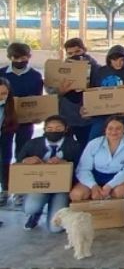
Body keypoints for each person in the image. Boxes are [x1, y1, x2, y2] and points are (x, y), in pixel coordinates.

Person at [17, 115, 80, 232]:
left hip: (62, 188)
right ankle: (35, 214)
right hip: (39, 185)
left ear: (66, 129)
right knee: (30, 208)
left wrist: (65, 163)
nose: (54, 131)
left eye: (58, 128)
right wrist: (26, 161)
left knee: (55, 228)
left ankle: (60, 206)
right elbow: (18, 162)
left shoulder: (74, 145)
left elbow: (80, 168)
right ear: (44, 129)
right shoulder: (33, 143)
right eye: (50, 129)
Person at [1, 43, 44, 207]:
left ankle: (20, 190)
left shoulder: (35, 76)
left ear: (29, 57)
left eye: (24, 57)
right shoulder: (2, 74)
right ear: (10, 57)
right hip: (5, 122)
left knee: (22, 154)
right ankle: (5, 189)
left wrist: (38, 116)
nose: (20, 61)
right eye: (16, 58)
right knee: (3, 155)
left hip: (25, 122)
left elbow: (38, 100)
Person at [71, 115, 124, 201]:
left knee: (120, 192)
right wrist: (93, 186)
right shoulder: (94, 143)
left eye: (118, 128)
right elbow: (83, 169)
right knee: (76, 195)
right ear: (105, 129)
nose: (114, 132)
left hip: (119, 176)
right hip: (95, 176)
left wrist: (109, 186)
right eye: (110, 128)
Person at [86, 45, 124, 140]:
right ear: (109, 60)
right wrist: (88, 107)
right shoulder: (100, 72)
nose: (118, 63)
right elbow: (91, 92)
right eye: (115, 60)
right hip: (101, 116)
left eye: (121, 60)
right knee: (95, 141)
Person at [54, 38, 100, 150]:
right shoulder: (61, 69)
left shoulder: (97, 69)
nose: (74, 55)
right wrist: (61, 91)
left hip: (88, 118)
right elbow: (51, 92)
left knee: (87, 148)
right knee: (65, 149)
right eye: (70, 53)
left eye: (77, 51)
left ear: (84, 50)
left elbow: (101, 92)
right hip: (66, 116)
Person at [0, 77, 19, 208]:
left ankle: (5, 191)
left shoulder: (9, 106)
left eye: (4, 93)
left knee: (4, 161)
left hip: (4, 136)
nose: (1, 97)